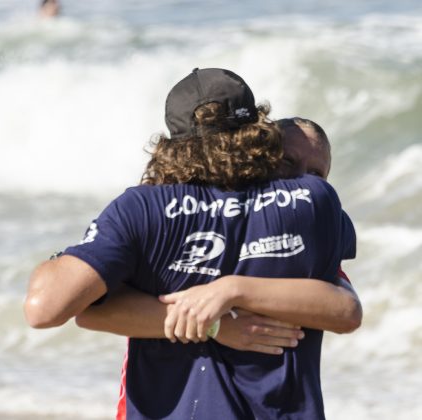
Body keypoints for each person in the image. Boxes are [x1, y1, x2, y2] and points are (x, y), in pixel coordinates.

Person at [25, 68, 358, 419]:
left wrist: (227, 296)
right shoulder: (314, 202)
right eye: (288, 162)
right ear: (259, 133)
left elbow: (50, 308)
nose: (300, 177)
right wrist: (213, 322)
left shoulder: (144, 208)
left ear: (171, 143)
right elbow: (346, 310)